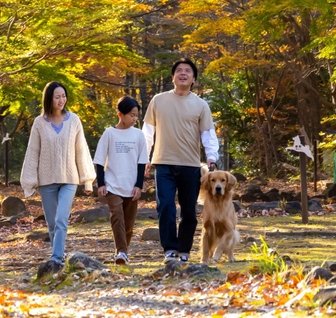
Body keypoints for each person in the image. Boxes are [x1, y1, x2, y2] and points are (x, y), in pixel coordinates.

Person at [143, 58, 219, 263]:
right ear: (173, 77)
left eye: (187, 71)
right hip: (163, 163)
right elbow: (148, 132)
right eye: (179, 70)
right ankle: (170, 249)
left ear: (194, 78)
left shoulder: (201, 105)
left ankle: (184, 250)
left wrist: (211, 158)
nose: (183, 73)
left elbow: (208, 134)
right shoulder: (158, 100)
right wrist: (144, 158)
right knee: (165, 206)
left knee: (188, 211)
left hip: (190, 165)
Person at [21, 81, 95, 268]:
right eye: (57, 97)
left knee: (62, 219)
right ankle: (58, 255)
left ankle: (56, 257)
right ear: (49, 99)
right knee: (52, 223)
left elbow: (81, 150)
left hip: (69, 179)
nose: (62, 100)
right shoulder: (39, 123)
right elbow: (33, 151)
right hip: (47, 182)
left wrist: (86, 180)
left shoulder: (74, 120)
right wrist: (30, 181)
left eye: (64, 96)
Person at [93, 96, 148, 265]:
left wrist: (139, 186)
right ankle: (122, 252)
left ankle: (123, 251)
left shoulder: (139, 135)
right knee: (117, 217)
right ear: (120, 114)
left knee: (129, 223)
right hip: (112, 185)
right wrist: (101, 184)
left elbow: (141, 163)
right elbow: (100, 161)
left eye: (136, 115)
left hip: (131, 186)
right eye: (131, 115)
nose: (134, 118)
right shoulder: (109, 134)